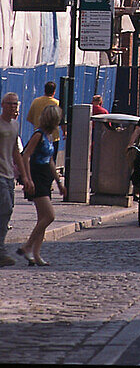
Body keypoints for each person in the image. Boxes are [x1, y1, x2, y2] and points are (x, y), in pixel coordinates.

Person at [20, 104, 66, 265]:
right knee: (49, 216)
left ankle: (36, 254)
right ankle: (27, 246)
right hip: (37, 178)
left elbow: (51, 161)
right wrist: (28, 178)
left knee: (42, 219)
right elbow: (25, 155)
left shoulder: (49, 136)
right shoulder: (38, 135)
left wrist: (59, 182)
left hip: (46, 178)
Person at [0, 92, 33, 267]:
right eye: (11, 104)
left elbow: (16, 152)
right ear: (2, 105)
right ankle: (1, 252)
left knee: (7, 211)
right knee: (4, 208)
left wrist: (25, 176)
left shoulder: (15, 125)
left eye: (16, 104)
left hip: (8, 175)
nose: (14, 107)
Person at [27, 80, 64, 161]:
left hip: (38, 136)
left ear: (44, 90)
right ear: (54, 92)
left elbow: (30, 118)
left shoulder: (36, 101)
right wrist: (64, 131)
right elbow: (61, 121)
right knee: (51, 160)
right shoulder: (57, 103)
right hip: (53, 137)